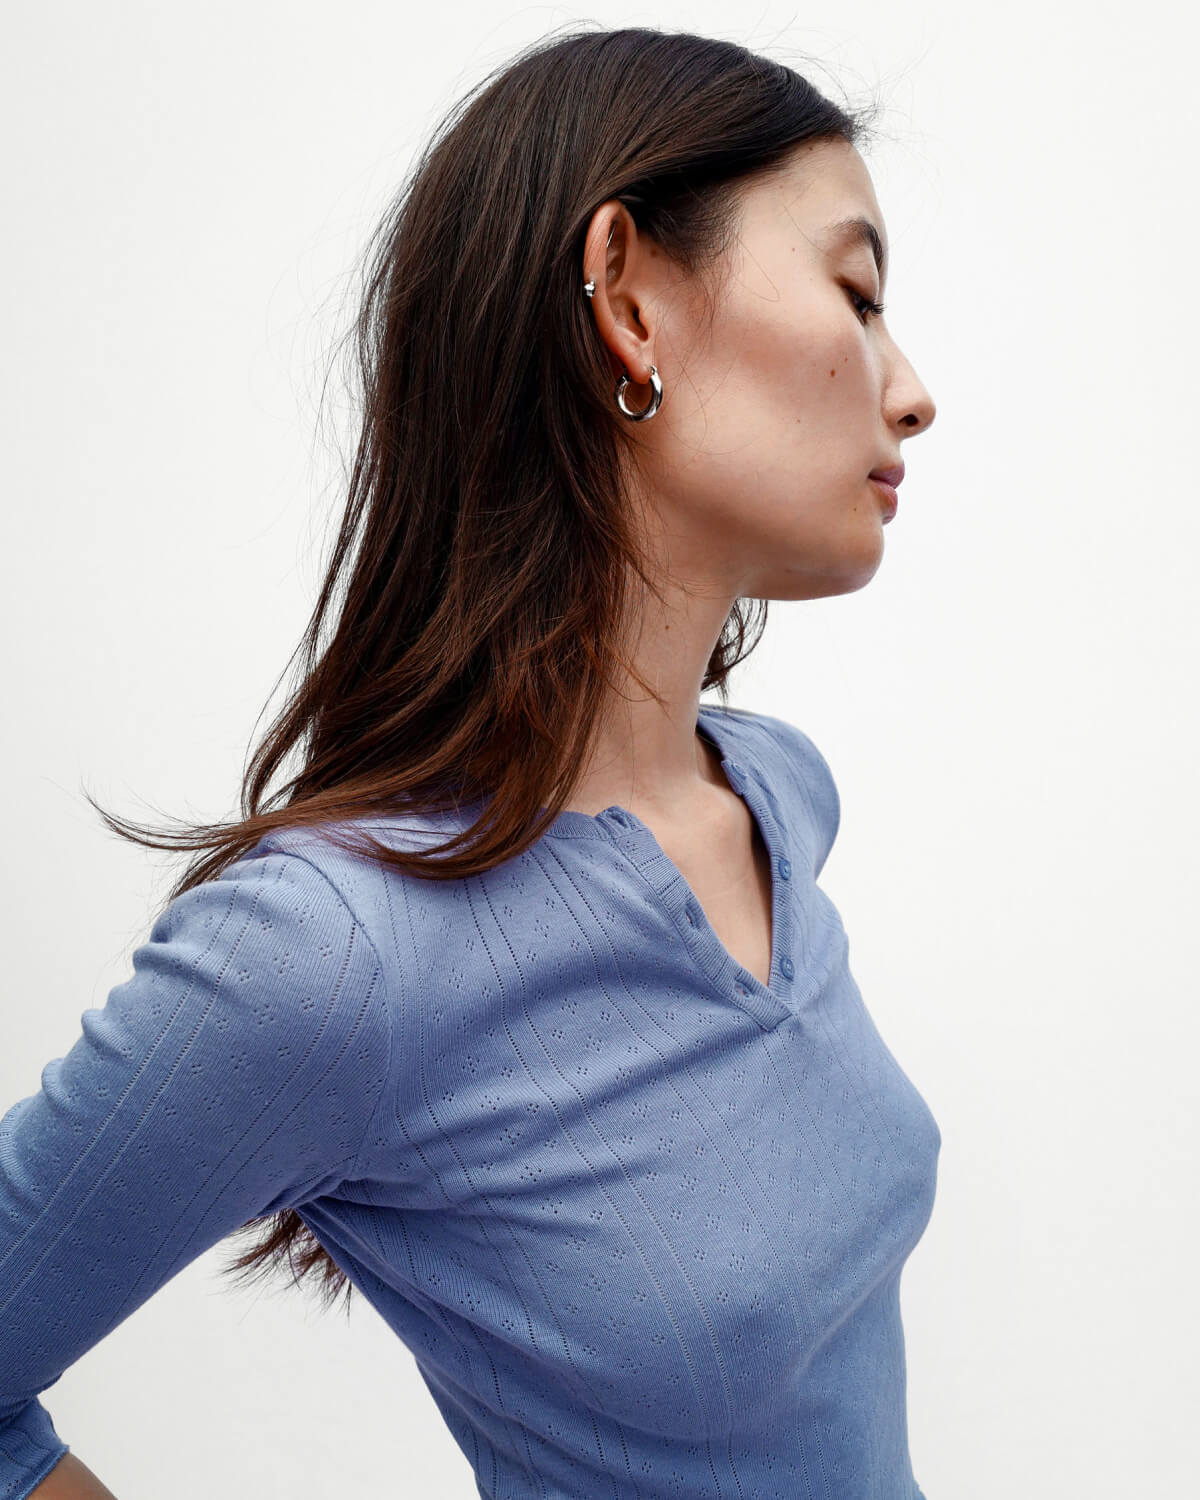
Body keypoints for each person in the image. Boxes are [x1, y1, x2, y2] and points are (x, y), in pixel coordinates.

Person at [0, 25, 939, 1500]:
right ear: (627, 298)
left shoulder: (779, 793)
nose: (911, 390)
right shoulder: (330, 947)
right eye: (859, 292)